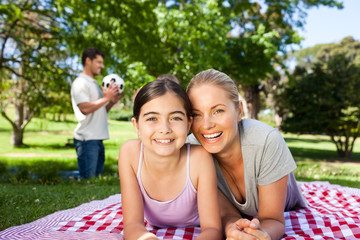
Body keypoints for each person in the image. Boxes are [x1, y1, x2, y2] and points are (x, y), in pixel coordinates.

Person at [186, 69, 307, 240]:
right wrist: (232, 229)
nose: (206, 125)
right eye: (196, 114)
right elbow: (228, 215)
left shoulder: (266, 141)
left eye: (218, 111)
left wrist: (260, 236)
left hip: (285, 203)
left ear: (239, 111)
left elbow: (273, 220)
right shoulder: (192, 152)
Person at [118, 79, 222, 240]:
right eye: (152, 118)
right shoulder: (130, 153)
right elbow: (132, 225)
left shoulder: (199, 158)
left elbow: (213, 229)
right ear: (136, 125)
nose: (164, 129)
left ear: (189, 124)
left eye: (175, 118)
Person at [71, 47, 122, 179]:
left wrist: (111, 102)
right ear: (88, 61)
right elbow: (85, 108)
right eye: (99, 62)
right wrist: (106, 98)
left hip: (97, 139)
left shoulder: (93, 84)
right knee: (88, 180)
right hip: (87, 140)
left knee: (95, 180)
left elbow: (100, 111)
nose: (102, 65)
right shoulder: (80, 83)